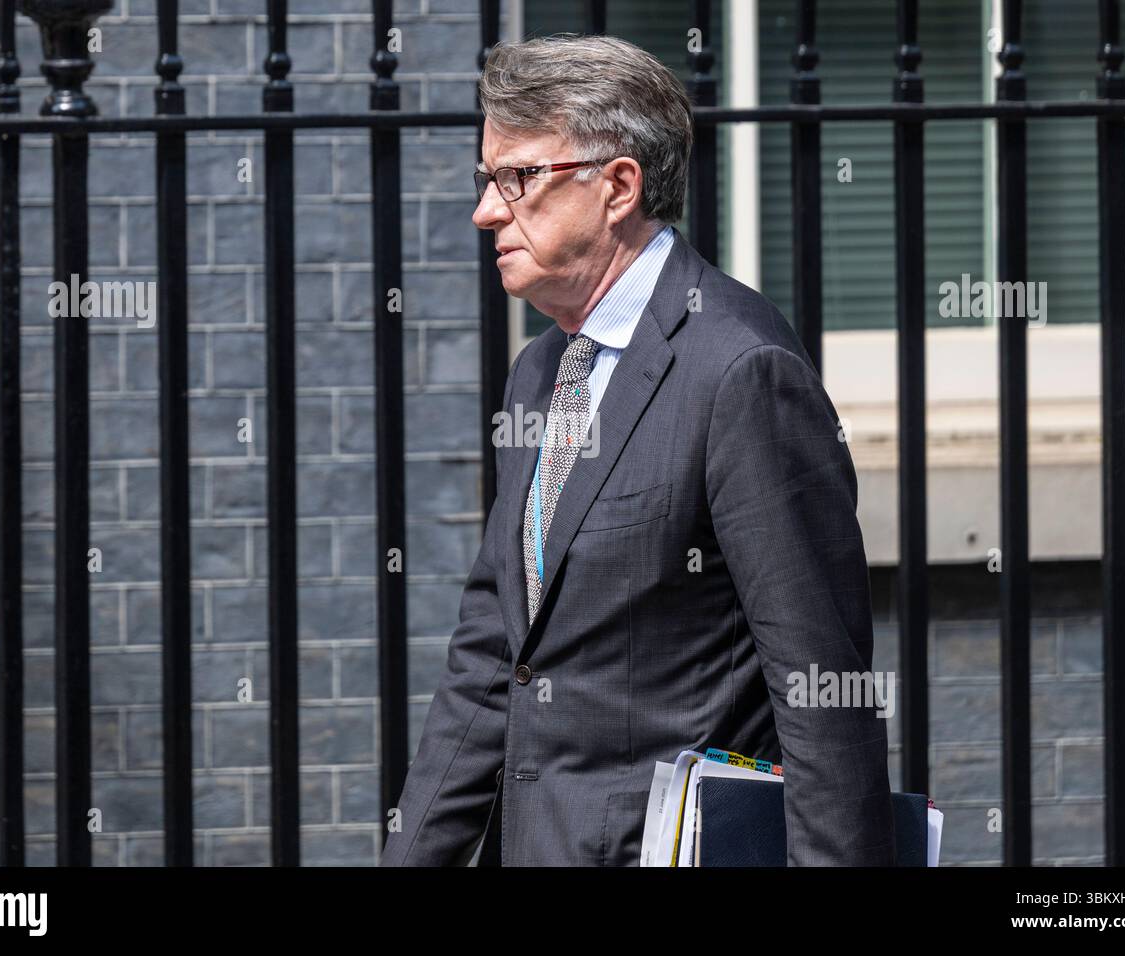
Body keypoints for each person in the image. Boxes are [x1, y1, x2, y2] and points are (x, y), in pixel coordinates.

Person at [378, 33, 894, 866]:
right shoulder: (541, 370)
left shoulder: (739, 370)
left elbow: (822, 692)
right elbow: (496, 652)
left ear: (617, 185)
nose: (485, 210)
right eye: (486, 180)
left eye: (517, 179)